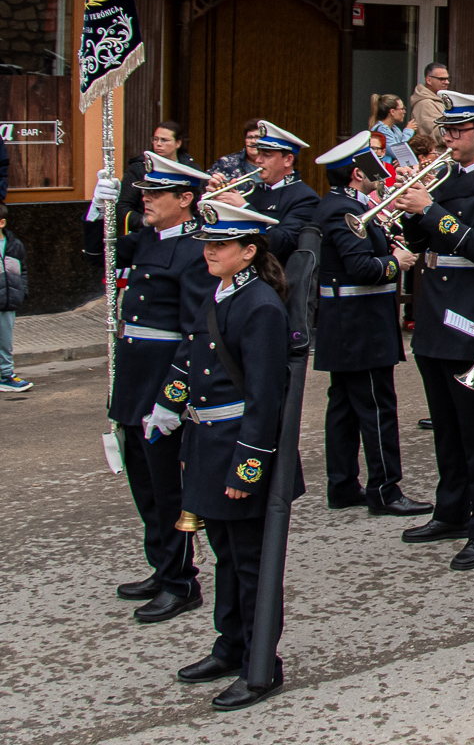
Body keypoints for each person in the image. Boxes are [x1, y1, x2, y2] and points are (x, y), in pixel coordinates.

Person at [155, 202, 292, 710]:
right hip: (208, 446)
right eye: (208, 244)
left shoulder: (259, 305)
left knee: (253, 564)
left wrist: (248, 467)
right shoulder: (219, 291)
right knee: (226, 559)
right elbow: (189, 356)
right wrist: (165, 405)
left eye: (221, 245)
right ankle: (230, 645)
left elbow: (265, 396)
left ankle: (262, 666)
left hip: (239, 449)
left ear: (249, 252)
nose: (210, 251)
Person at [392, 91, 474, 571]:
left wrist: (430, 208)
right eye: (446, 130)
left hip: (471, 307)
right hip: (434, 307)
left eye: (457, 131)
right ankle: (449, 509)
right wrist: (409, 212)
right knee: (444, 423)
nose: (448, 138)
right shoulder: (444, 175)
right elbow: (420, 239)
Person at [90, 154, 216, 615]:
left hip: (162, 380)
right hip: (132, 377)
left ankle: (182, 581)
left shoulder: (195, 250)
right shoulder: (145, 239)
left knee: (168, 490)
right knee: (143, 485)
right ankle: (163, 565)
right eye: (144, 192)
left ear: (185, 199)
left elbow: (196, 332)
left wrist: (173, 397)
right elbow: (97, 252)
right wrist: (96, 210)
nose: (145, 199)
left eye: (156, 193)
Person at [311, 133, 430, 520]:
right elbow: (362, 267)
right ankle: (384, 489)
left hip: (351, 324)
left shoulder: (347, 205)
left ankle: (343, 484)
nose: (382, 172)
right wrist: (397, 261)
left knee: (344, 407)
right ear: (358, 174)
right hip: (359, 324)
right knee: (377, 408)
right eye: (375, 167)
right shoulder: (341, 210)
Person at [211, 121, 316, 265]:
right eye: (258, 154)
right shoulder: (253, 191)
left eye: (266, 155)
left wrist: (244, 208)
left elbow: (283, 245)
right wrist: (219, 201)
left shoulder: (305, 197)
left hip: (275, 278)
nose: (258, 160)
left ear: (288, 160)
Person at [410, 63, 452, 159]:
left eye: (447, 79)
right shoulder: (424, 104)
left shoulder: (440, 100)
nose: (447, 82)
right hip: (438, 159)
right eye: (442, 79)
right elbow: (435, 134)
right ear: (429, 80)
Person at [0, 204, 21, 392]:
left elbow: (23, 272)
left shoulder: (14, 245)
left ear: (2, 222)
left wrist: (21, 291)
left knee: (5, 340)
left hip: (7, 301)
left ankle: (6, 375)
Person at [209, 119, 263, 183]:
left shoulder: (274, 164)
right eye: (249, 137)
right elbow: (204, 185)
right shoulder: (225, 163)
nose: (253, 141)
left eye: (257, 137)